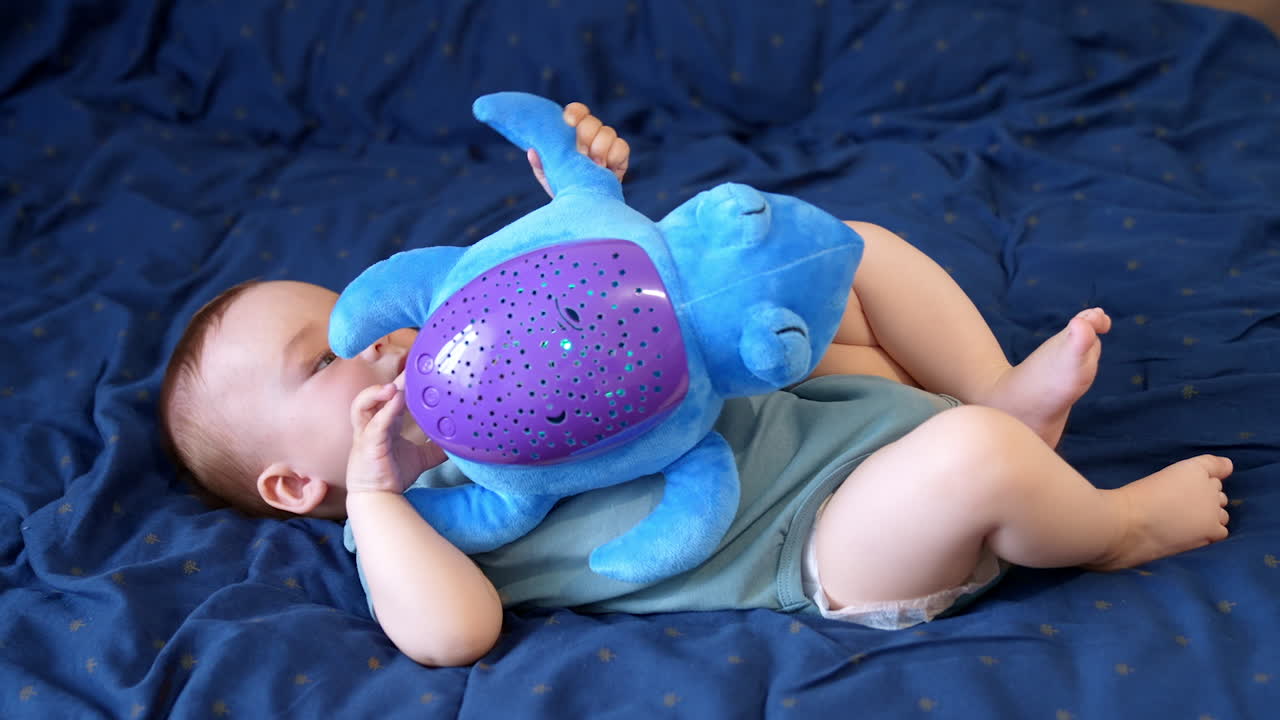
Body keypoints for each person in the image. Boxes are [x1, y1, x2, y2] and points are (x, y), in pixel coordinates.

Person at [159, 101, 1233, 669]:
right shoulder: (399, 528)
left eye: (354, 317)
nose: (374, 343)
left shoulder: (472, 341)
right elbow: (452, 638)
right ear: (296, 486)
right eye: (322, 358)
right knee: (972, 463)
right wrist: (385, 495)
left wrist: (586, 203)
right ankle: (1111, 524)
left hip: (792, 413)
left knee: (848, 256)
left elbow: (633, 317)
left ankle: (997, 388)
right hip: (819, 541)